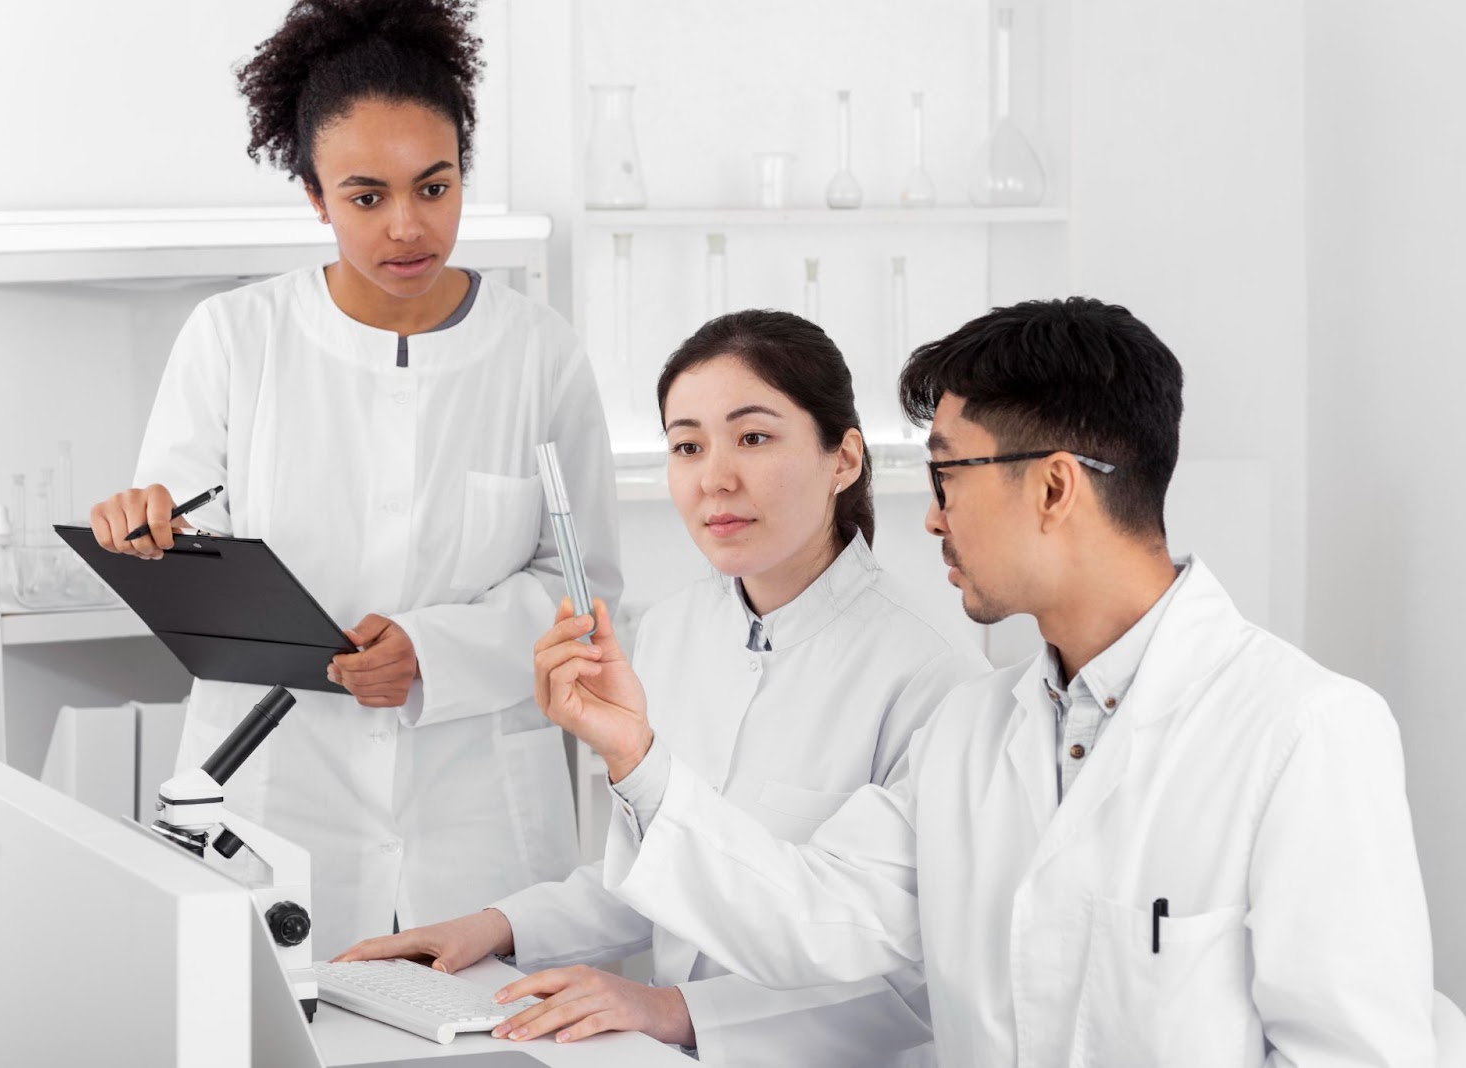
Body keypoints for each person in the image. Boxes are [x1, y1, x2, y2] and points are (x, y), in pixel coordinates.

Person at [527, 298, 1439, 1066]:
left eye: (948, 477)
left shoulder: (1303, 731)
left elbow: (1352, 1054)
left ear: (1052, 490)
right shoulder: (971, 731)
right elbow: (813, 914)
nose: (928, 519)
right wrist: (636, 757)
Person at [87, 0, 620, 954]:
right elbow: (176, 527)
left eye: (435, 186)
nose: (408, 228)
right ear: (315, 195)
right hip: (276, 788)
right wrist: (147, 525)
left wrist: (433, 649)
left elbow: (585, 593)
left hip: (477, 813)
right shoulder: (234, 339)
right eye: (367, 196)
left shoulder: (542, 356)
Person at [334, 310, 990, 1066]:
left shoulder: (935, 674)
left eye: (754, 437)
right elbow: (650, 874)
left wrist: (674, 1010)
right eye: (687, 445)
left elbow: (913, 974)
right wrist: (491, 928)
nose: (715, 477)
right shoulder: (673, 631)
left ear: (843, 459)